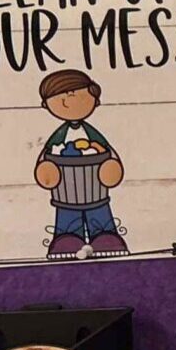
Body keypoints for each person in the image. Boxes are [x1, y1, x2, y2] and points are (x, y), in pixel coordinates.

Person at [32, 71, 126, 258]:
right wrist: (46, 171)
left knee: (99, 212)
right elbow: (48, 153)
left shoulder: (91, 133)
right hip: (65, 190)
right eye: (61, 97)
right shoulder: (60, 135)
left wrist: (112, 166)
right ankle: (66, 238)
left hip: (96, 189)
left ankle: (105, 236)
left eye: (75, 94)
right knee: (67, 216)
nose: (68, 101)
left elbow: (106, 150)